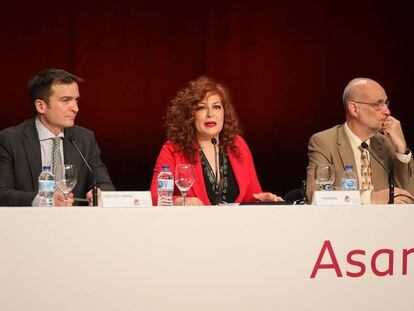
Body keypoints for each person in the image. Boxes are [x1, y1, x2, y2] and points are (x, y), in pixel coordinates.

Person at [150, 76, 283, 205]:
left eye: (216, 107)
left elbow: (250, 195)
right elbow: (156, 196)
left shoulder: (238, 145)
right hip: (194, 225)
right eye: (201, 107)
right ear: (189, 115)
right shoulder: (173, 150)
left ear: (225, 112)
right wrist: (180, 201)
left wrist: (261, 199)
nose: (210, 114)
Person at [0, 68, 115, 206]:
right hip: (28, 223)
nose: (75, 108)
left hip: (75, 223)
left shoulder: (84, 138)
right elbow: (2, 193)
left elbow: (105, 185)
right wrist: (43, 199)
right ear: (41, 106)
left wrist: (99, 194)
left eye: (76, 100)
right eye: (66, 100)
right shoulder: (10, 140)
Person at [306, 78, 414, 204]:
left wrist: (401, 150)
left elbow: (408, 197)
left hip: (386, 222)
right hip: (344, 221)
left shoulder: (387, 143)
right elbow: (315, 193)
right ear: (354, 109)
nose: (387, 112)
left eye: (386, 103)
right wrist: (370, 198)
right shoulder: (324, 141)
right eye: (378, 105)